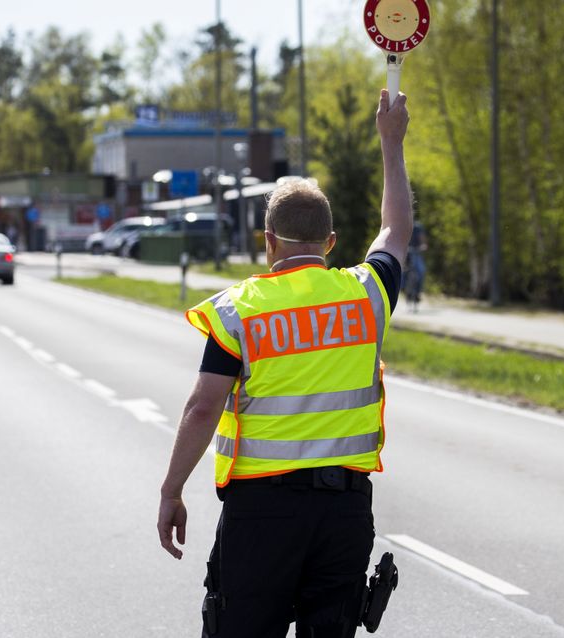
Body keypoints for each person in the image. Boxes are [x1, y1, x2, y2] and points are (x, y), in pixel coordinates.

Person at [157, 88, 412, 638]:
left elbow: (203, 409)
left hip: (262, 514)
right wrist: (392, 144)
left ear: (268, 241)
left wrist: (172, 490)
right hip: (343, 515)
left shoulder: (239, 311)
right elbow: (396, 231)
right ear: (331, 242)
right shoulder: (366, 294)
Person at [402, 218, 428, 312]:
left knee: (421, 271)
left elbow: (422, 239)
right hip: (406, 254)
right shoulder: (403, 226)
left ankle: (418, 292)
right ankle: (403, 288)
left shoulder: (418, 227)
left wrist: (423, 245)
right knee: (402, 272)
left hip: (416, 253)